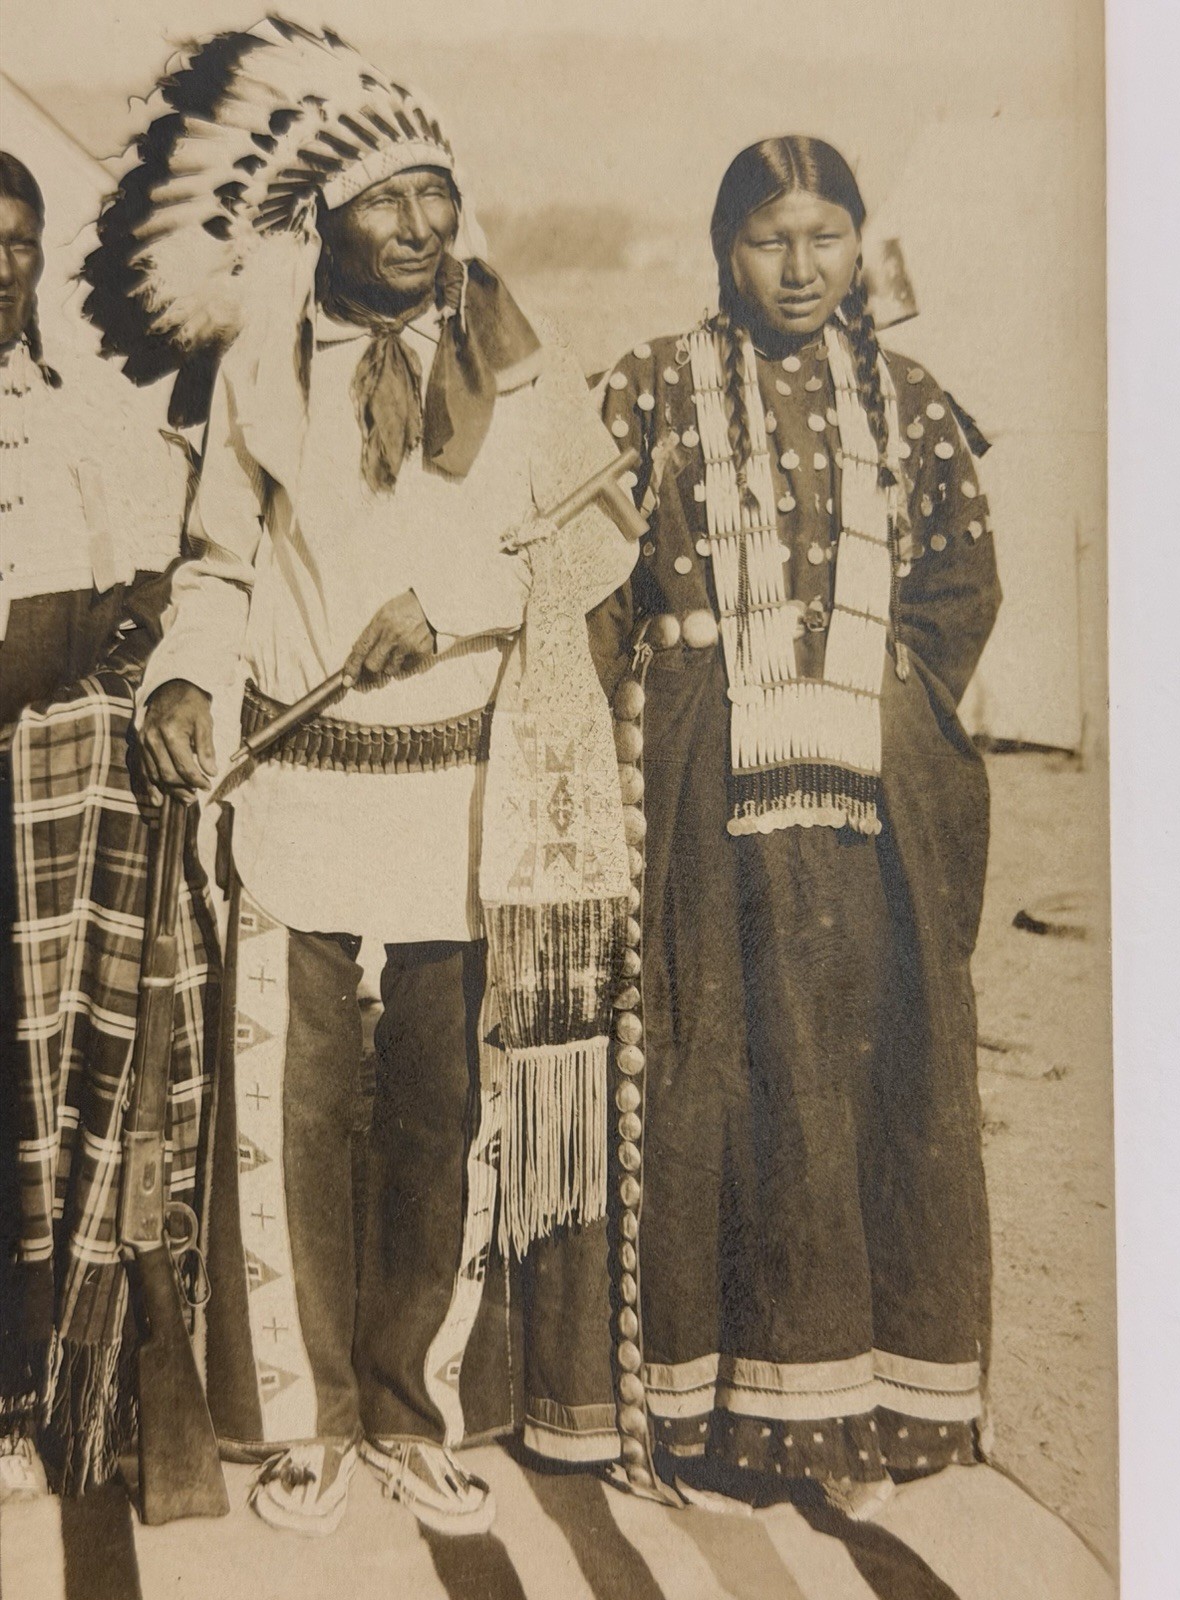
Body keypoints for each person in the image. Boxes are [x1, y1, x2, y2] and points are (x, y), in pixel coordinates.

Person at [85, 19, 636, 1537]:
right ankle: (309, 1420)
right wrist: (194, 679)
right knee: (296, 1104)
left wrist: (453, 616)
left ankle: (412, 1408)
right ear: (323, 220)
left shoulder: (519, 366)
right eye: (386, 204)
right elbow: (220, 566)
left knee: (439, 1111)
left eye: (437, 197)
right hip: (303, 794)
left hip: (463, 803)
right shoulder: (261, 369)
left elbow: (590, 559)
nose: (420, 229)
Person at [590, 135, 1001, 1518]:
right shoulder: (650, 392)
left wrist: (876, 697)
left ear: (860, 242)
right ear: (726, 249)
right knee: (725, 1067)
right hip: (709, 802)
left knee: (873, 1080)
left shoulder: (915, 404)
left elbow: (961, 585)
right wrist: (681, 691)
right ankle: (721, 1420)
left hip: (873, 819)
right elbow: (594, 585)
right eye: (772, 239)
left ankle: (877, 1414)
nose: (801, 266)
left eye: (827, 236)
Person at [0, 151, 185, 1504]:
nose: (0, 264)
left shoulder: (69, 414)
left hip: (54, 780)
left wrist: (112, 639)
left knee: (45, 1079)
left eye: (19, 241)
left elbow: (142, 581)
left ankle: (32, 1391)